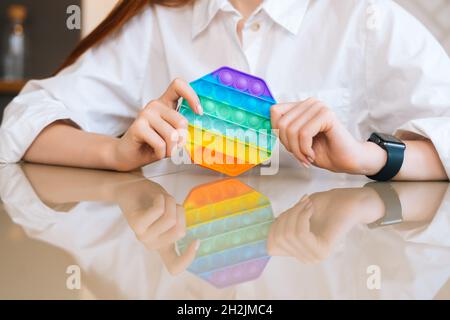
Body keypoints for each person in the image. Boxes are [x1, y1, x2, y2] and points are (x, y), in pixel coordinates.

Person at [0, 0, 449, 181]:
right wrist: (115, 154)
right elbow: (24, 120)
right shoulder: (156, 22)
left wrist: (368, 156)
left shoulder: (365, 17)